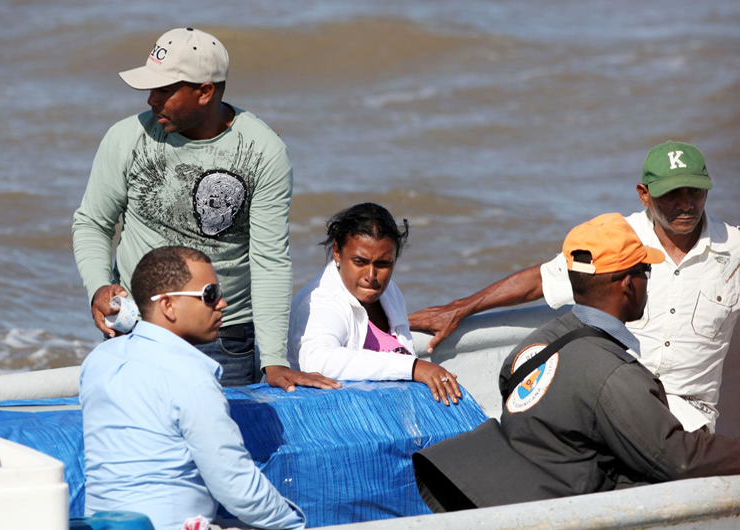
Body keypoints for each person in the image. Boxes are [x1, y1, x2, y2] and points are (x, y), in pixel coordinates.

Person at [71, 27, 340, 392]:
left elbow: (269, 258)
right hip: (137, 325)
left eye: (164, 90)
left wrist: (274, 360)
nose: (151, 100)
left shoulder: (263, 151)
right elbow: (93, 223)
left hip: (224, 337)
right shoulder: (126, 137)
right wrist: (99, 287)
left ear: (204, 92)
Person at [413, 214, 740, 511]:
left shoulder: (531, 347)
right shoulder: (615, 375)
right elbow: (679, 460)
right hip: (565, 506)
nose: (647, 281)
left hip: (510, 488)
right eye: (646, 271)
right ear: (628, 284)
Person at [409, 141, 740, 431]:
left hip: (690, 416)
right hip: (617, 397)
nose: (686, 204)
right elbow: (541, 280)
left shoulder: (734, 249)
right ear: (644, 195)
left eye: (694, 191)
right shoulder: (615, 239)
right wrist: (460, 308)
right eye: (672, 194)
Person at [80, 246, 306, 530]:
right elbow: (238, 489)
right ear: (168, 305)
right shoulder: (191, 377)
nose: (222, 303)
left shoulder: (98, 360)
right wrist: (297, 525)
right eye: (210, 294)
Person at [287, 203, 461, 406]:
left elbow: (403, 351)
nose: (371, 276)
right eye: (360, 262)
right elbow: (318, 361)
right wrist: (412, 367)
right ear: (337, 252)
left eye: (383, 264)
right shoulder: (321, 301)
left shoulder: (391, 292)